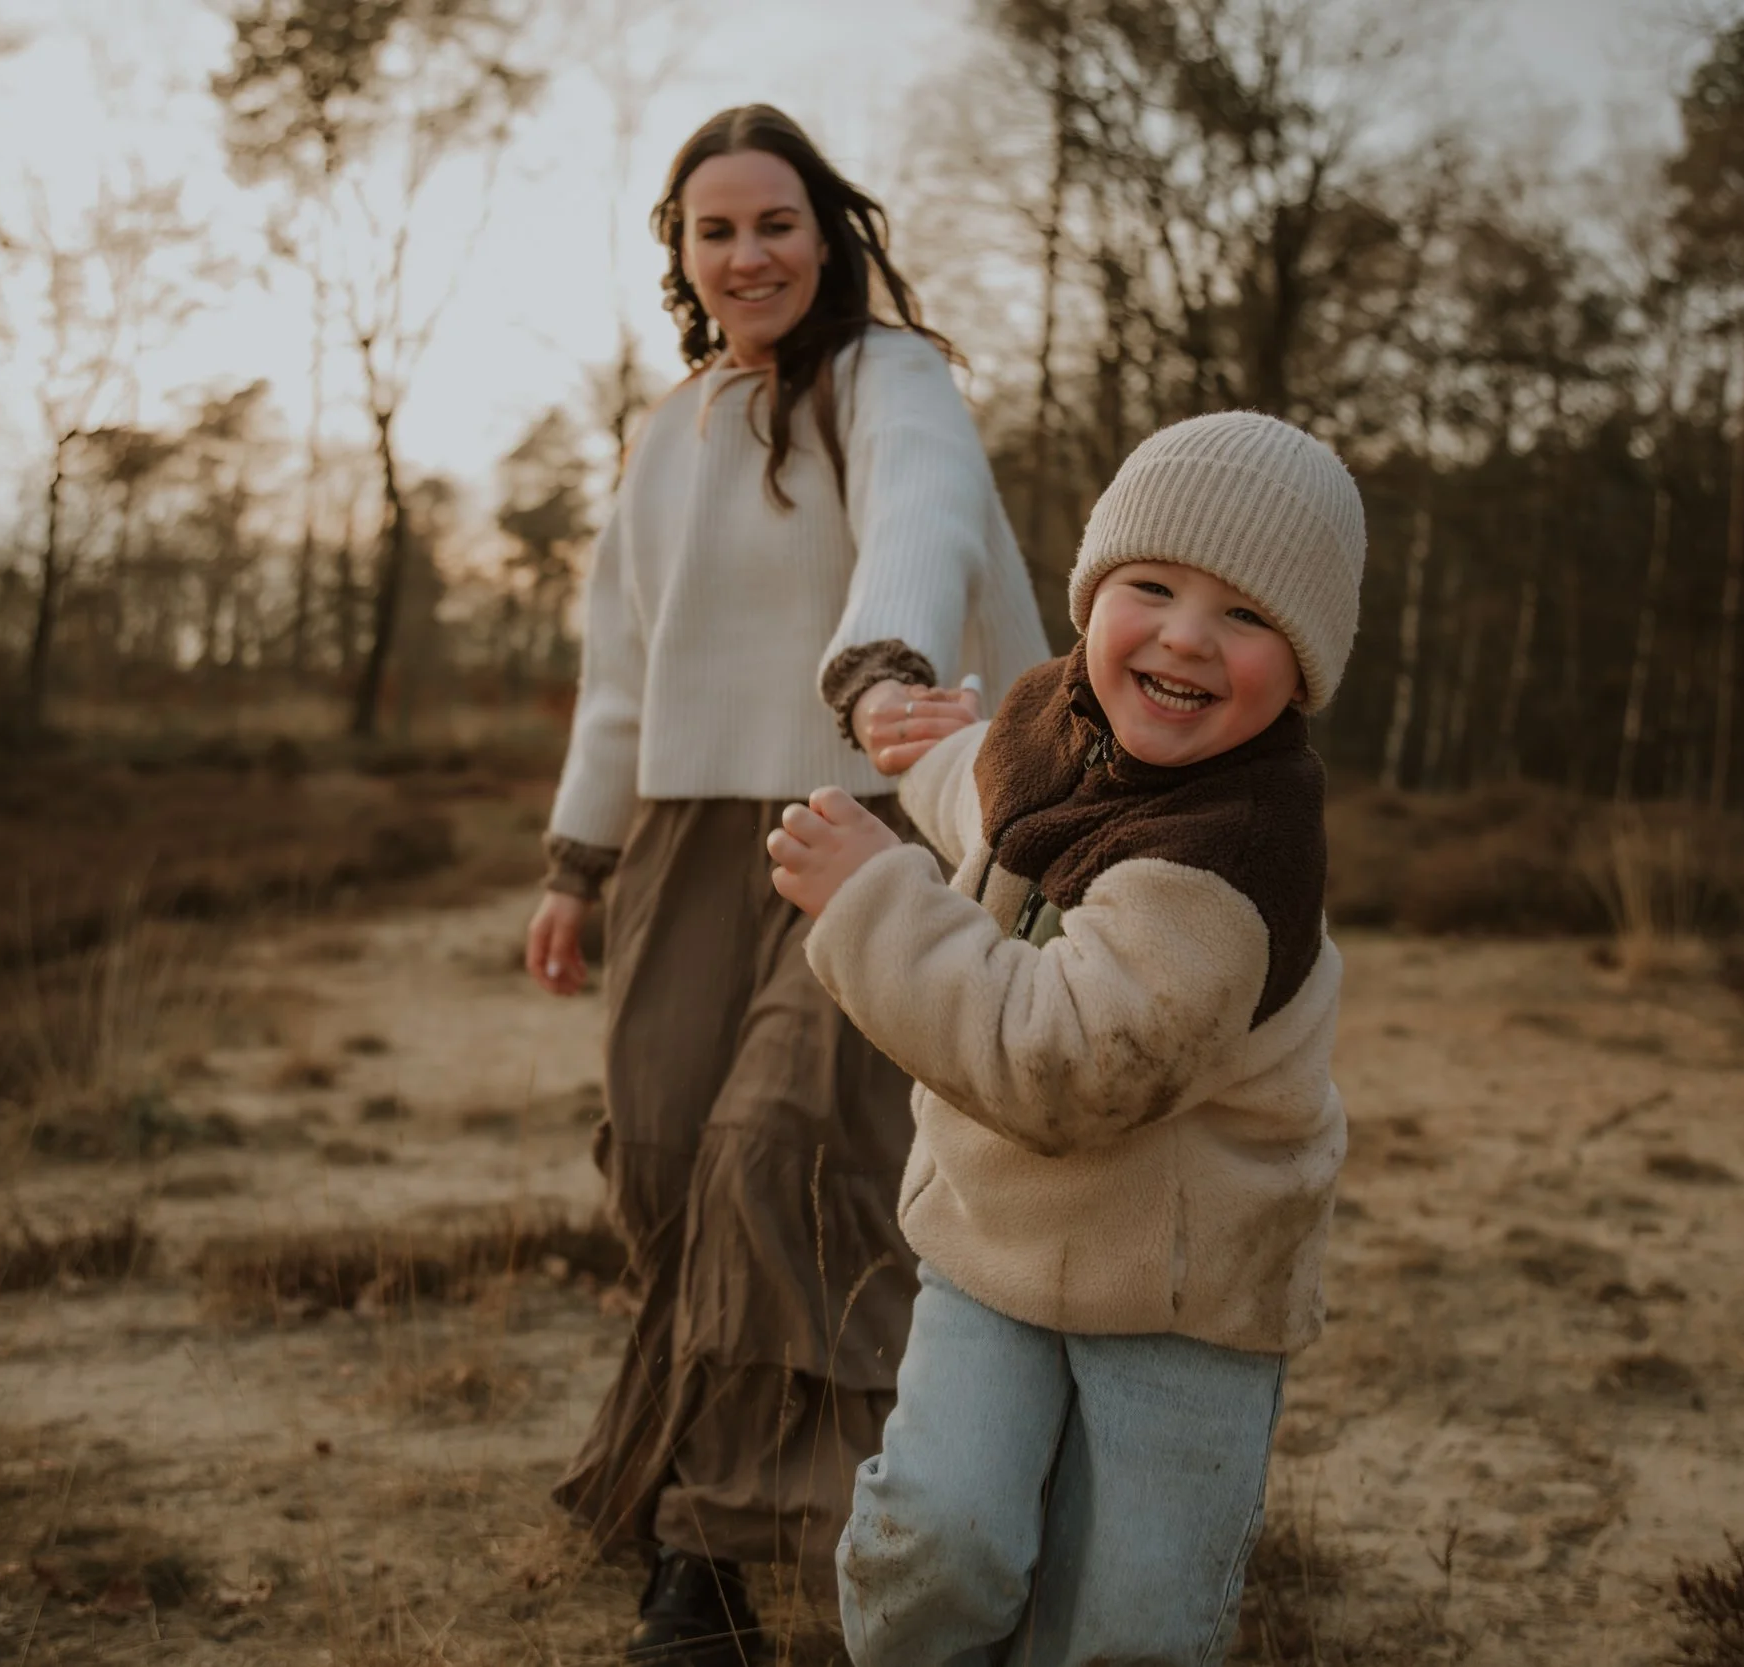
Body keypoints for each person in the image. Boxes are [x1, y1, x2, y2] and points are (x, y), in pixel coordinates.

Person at [524, 103, 1049, 1663]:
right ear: (682, 254)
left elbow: (926, 524)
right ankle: (705, 1464)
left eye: (774, 221)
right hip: (686, 838)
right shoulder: (668, 429)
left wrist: (880, 668)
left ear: (827, 233)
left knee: (780, 1156)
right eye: (715, 228)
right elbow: (620, 667)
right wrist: (576, 860)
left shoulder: (897, 381)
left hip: (864, 813)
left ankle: (722, 1560)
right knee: (671, 1155)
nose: (746, 252)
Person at [765, 411, 1366, 1664]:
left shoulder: (1231, 856)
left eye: (1246, 616)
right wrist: (916, 730)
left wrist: (877, 899)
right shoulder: (1059, 712)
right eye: (1150, 586)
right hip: (997, 1243)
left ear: (1305, 664)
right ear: (1093, 597)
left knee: (1128, 1622)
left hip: (1181, 1292)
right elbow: (995, 791)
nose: (1187, 634)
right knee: (936, 1542)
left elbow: (1065, 1064)